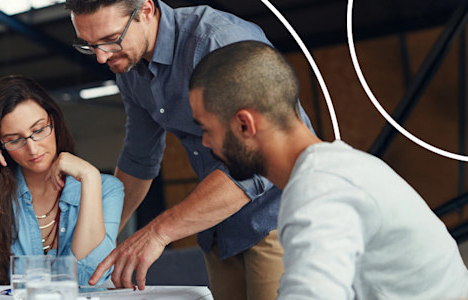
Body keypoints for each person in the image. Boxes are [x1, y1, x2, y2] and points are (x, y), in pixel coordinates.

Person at [67, 0, 314, 297]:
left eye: (110, 39)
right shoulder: (128, 65)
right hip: (217, 226)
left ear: (146, 9)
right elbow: (138, 157)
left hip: (278, 215)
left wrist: (158, 232)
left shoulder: (218, 40)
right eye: (89, 45)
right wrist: (99, 238)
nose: (100, 57)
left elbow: (258, 158)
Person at [189, 40, 468, 299]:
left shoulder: (319, 192)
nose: (204, 142)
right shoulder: (336, 170)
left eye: (206, 129)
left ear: (244, 125)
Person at [0, 75, 123, 286]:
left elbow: (90, 278)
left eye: (39, 130)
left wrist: (90, 178)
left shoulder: (107, 189)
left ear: (54, 121)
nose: (33, 149)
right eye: (15, 140)